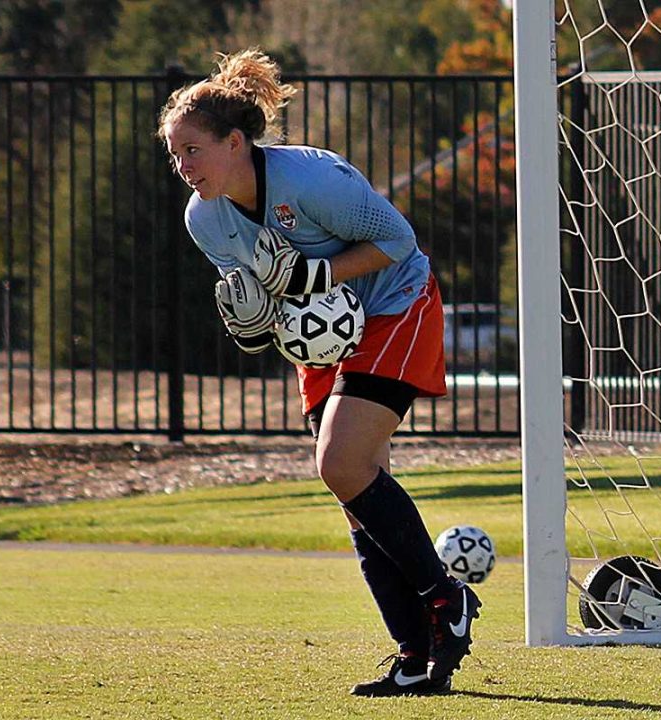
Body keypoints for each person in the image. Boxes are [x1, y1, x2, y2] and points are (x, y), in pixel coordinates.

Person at [158, 48, 480, 697]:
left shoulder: (313, 180)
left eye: (191, 150)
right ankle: (415, 656)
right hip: (323, 336)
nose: (182, 167)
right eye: (173, 155)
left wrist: (314, 276)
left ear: (235, 141)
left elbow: (398, 242)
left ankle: (448, 602)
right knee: (356, 498)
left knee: (340, 464)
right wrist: (256, 323)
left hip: (395, 306)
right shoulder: (204, 219)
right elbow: (267, 299)